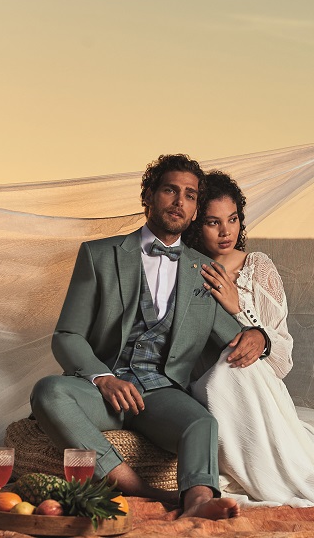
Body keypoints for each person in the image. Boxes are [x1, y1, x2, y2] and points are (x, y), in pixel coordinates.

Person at [30, 155, 272, 520]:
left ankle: (198, 501)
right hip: (102, 391)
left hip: (160, 394)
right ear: (148, 196)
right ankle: (137, 488)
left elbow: (238, 337)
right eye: (170, 190)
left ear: (193, 212)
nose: (179, 201)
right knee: (48, 391)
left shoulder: (203, 271)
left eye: (190, 196)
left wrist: (260, 337)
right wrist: (103, 378)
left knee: (201, 422)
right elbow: (67, 335)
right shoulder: (99, 255)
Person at [184, 171, 314, 507]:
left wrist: (239, 311)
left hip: (258, 386)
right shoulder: (187, 270)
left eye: (233, 219)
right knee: (221, 376)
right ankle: (270, 478)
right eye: (213, 222)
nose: (226, 231)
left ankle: (283, 480)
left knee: (234, 370)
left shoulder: (258, 268)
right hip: (206, 390)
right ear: (197, 224)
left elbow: (282, 360)